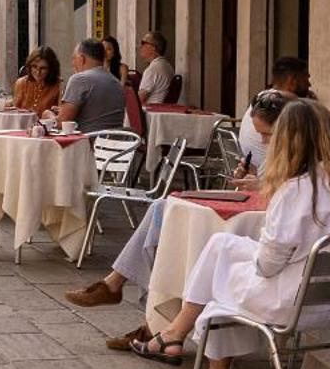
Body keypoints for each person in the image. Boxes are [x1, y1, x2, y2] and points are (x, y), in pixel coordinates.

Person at [129, 100, 330, 369]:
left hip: (294, 305)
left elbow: (267, 267)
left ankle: (197, 357)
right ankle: (191, 352)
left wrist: (246, 253)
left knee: (220, 271)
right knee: (223, 247)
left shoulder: (298, 191)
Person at [69, 89, 289, 349]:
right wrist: (252, 177)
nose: (262, 142)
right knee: (164, 208)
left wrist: (261, 186)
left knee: (175, 240)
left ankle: (152, 323)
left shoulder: (303, 169)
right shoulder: (288, 156)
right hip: (253, 233)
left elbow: (281, 203)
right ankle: (125, 294)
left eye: (266, 135)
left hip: (258, 241)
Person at [241, 57, 312, 173]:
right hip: (272, 174)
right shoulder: (283, 107)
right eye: (306, 78)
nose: (309, 84)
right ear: (292, 81)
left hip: (259, 171)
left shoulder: (263, 99)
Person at [58, 39, 127, 134]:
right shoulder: (116, 82)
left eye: (74, 58)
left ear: (82, 58)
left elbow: (62, 122)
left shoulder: (79, 79)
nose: (73, 63)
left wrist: (48, 116)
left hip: (86, 144)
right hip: (115, 144)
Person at [13, 47, 65, 114]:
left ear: (51, 69)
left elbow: (61, 114)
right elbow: (14, 111)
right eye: (34, 66)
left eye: (43, 68)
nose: (38, 72)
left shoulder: (58, 85)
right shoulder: (21, 83)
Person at [137, 31, 174, 104]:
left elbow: (138, 100)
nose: (140, 46)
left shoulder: (152, 70)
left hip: (150, 112)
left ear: (153, 47)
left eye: (143, 43)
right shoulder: (167, 66)